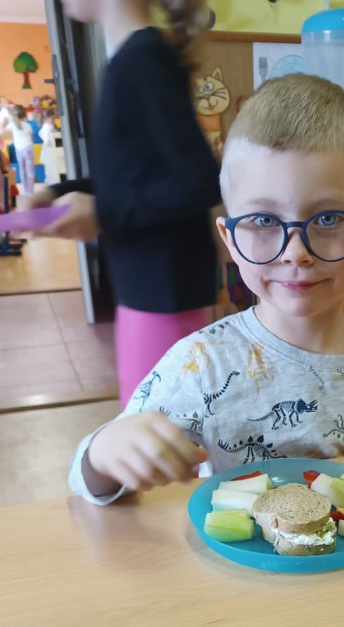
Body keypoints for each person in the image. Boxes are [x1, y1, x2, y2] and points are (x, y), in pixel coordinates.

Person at [68, 73, 344, 505]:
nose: (296, 253)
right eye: (264, 221)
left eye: (329, 219)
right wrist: (105, 453)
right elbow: (86, 481)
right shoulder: (199, 365)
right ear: (231, 240)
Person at [23, 0, 221, 407]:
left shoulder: (142, 59)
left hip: (164, 290)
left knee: (154, 423)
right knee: (146, 419)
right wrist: (56, 193)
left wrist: (102, 212)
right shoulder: (131, 59)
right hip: (149, 286)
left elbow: (200, 180)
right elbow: (129, 178)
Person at [7, 104, 35, 194]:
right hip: (28, 149)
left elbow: (3, 131)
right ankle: (30, 191)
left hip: (19, 150)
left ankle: (26, 190)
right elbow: (31, 139)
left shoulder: (12, 125)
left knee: (22, 170)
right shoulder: (28, 125)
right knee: (30, 171)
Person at [38, 108, 61, 186]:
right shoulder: (48, 127)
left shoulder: (47, 126)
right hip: (49, 149)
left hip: (48, 149)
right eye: (52, 118)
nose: (53, 120)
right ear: (46, 118)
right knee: (51, 166)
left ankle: (51, 181)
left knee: (50, 167)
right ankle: (52, 182)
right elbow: (47, 140)